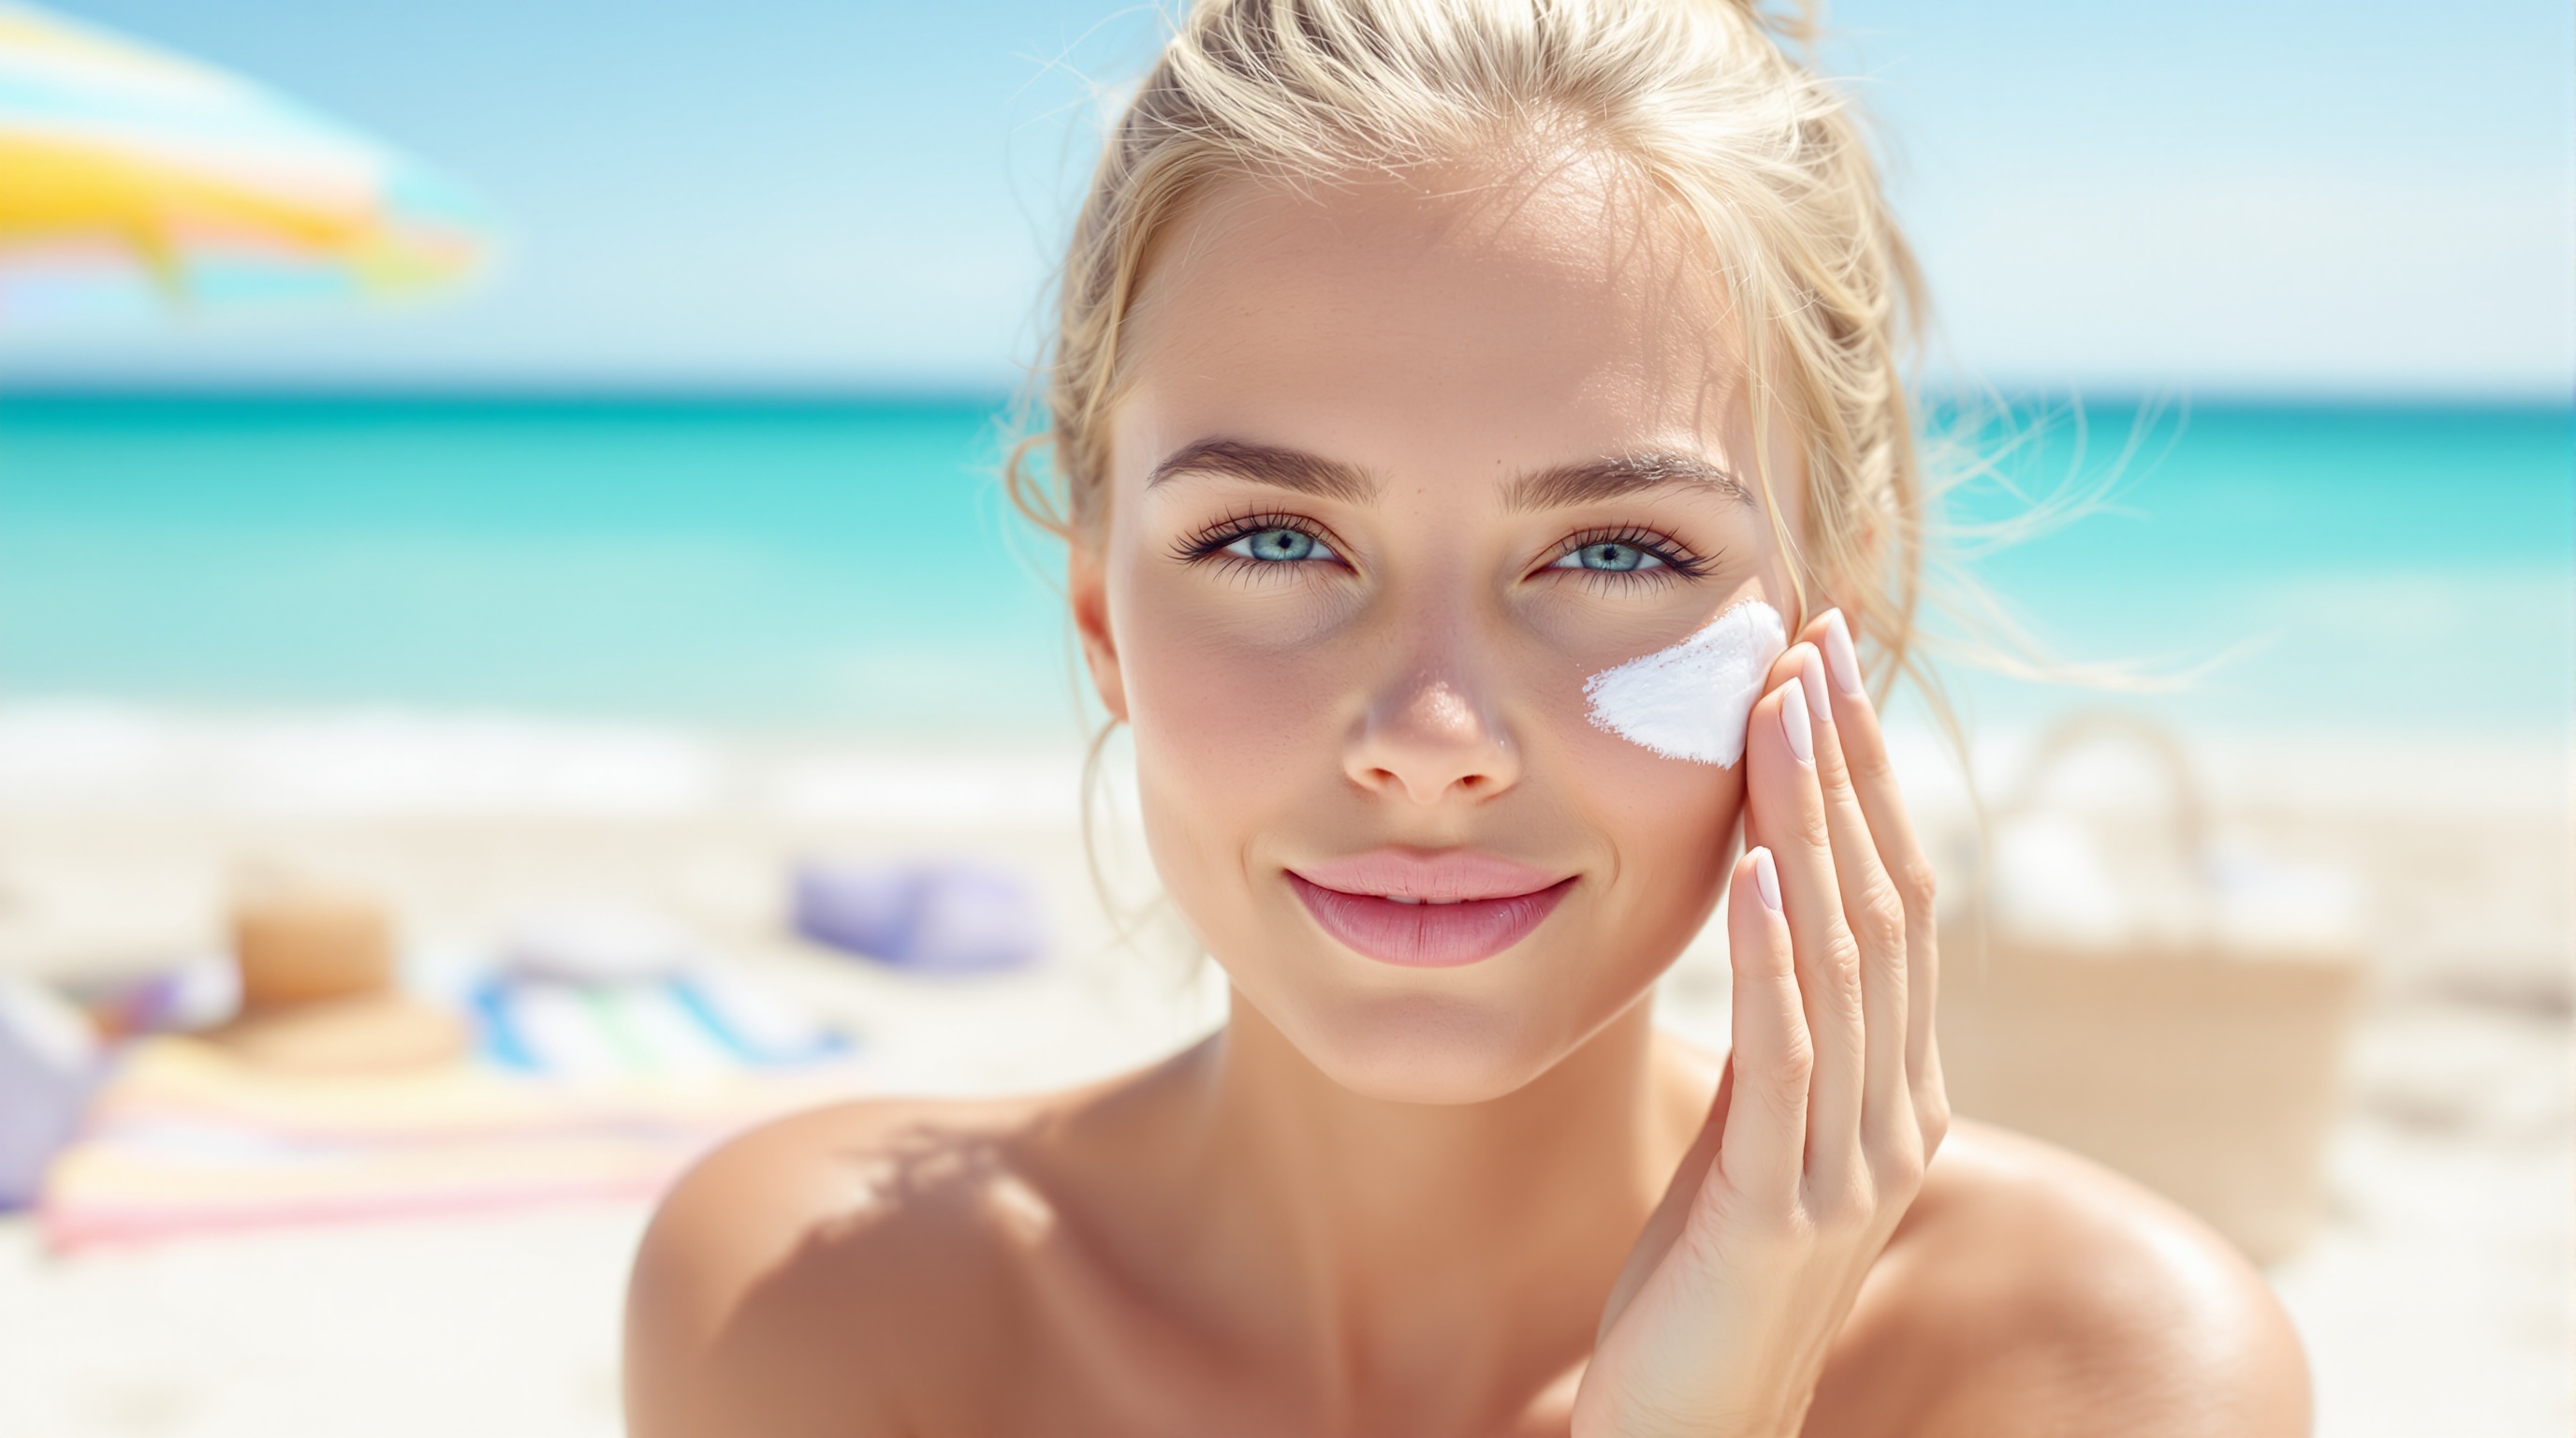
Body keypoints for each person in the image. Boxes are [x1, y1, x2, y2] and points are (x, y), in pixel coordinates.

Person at [623, 2, 2308, 1432]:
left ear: (1831, 620)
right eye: (1273, 540)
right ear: (1099, 617)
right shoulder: (818, 1313)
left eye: (1617, 551)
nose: (1432, 735)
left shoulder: (2102, 1374)